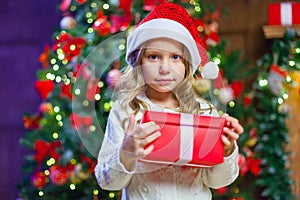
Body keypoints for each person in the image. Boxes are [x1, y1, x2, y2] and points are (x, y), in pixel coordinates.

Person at [94, 2, 244, 200]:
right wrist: (126, 154)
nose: (165, 68)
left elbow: (217, 181)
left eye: (175, 57)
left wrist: (226, 149)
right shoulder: (126, 110)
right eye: (154, 57)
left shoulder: (204, 111)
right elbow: (107, 182)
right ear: (138, 62)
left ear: (187, 65)